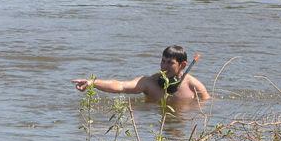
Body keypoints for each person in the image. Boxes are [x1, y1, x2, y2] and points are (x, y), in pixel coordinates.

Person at [72, 45, 210, 101]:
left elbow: (207, 106)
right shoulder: (148, 82)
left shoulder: (193, 85)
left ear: (183, 65)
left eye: (170, 63)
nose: (164, 66)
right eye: (163, 61)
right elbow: (121, 86)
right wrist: (93, 82)